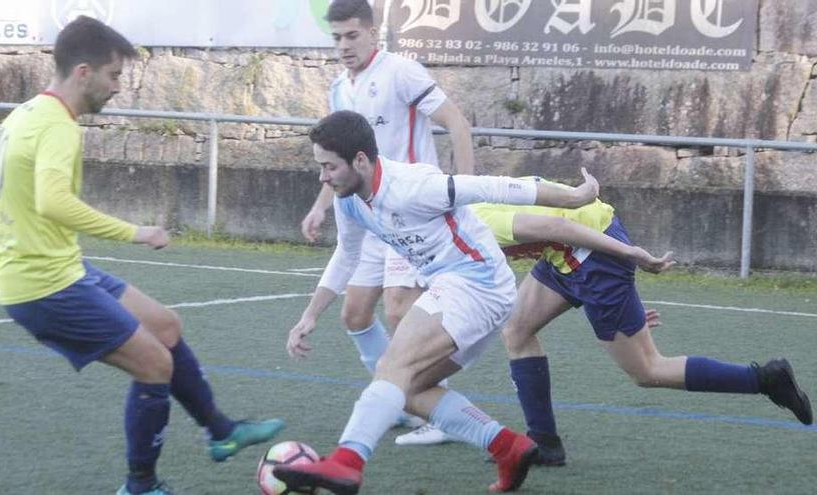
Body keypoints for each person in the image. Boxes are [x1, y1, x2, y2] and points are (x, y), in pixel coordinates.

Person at [0, 16, 283, 495]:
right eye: (114, 75)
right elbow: (52, 201)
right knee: (154, 365)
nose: (118, 88)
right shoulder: (58, 125)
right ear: (83, 72)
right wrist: (135, 231)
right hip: (46, 286)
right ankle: (140, 486)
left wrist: (19, 248)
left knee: (165, 326)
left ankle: (222, 433)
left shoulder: (21, 116)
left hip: (58, 270)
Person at [274, 110, 600, 494]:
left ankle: (347, 462)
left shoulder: (413, 186)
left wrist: (575, 197)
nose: (322, 178)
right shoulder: (349, 199)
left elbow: (494, 187)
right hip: (459, 289)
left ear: (360, 160)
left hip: (477, 283)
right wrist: (310, 314)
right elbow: (346, 255)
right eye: (320, 167)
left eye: (328, 167)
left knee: (391, 367)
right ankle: (507, 446)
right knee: (408, 390)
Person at [469, 192, 813, 466]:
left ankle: (765, 379)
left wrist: (630, 255)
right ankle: (544, 442)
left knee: (647, 370)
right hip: (572, 252)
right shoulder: (468, 200)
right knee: (517, 329)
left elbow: (561, 229)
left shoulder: (480, 225)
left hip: (591, 252)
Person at [301, 0, 476, 446]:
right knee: (355, 314)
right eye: (336, 38)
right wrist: (322, 205)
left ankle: (436, 409)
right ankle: (399, 396)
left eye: (352, 35)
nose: (343, 46)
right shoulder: (340, 88)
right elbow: (340, 159)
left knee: (400, 310)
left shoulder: (402, 71)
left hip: (410, 214)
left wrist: (467, 188)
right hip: (367, 218)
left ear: (373, 33)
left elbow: (457, 123)